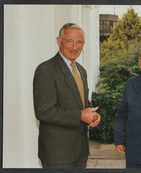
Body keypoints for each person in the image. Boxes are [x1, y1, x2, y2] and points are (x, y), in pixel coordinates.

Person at [33, 23, 101, 168]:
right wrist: (80, 116)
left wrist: (93, 115)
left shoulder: (81, 70)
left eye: (79, 42)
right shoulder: (45, 70)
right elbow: (43, 111)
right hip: (57, 155)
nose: (74, 47)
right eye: (69, 41)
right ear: (59, 41)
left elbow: (81, 103)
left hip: (80, 152)